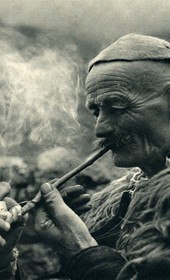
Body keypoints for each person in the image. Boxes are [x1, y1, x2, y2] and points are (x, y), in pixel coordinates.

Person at [1, 33, 170, 279]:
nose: (100, 129)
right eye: (96, 111)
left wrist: (81, 248)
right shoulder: (113, 203)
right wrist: (4, 260)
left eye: (117, 107)